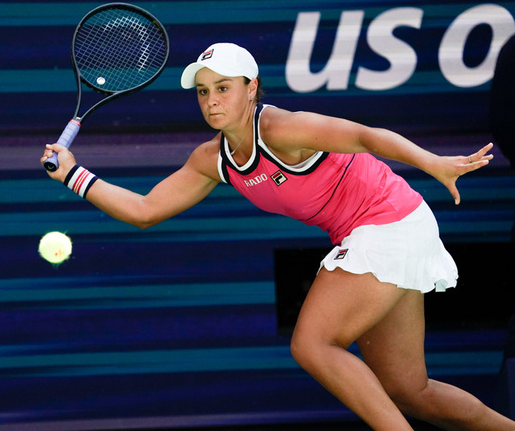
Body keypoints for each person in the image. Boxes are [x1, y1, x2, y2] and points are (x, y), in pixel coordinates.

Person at [41, 43, 515, 430]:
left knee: (312, 345)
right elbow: (146, 210)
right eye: (203, 92)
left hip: (390, 221)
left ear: (252, 89)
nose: (211, 101)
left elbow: (368, 136)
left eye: (223, 88)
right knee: (411, 391)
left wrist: (432, 162)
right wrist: (73, 175)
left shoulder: (286, 129)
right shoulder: (212, 158)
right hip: (384, 230)